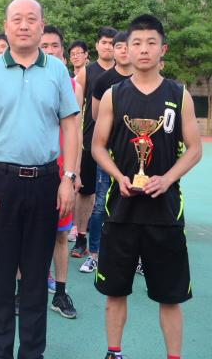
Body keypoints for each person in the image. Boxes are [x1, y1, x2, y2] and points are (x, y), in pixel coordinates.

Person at [0, 0, 79, 359]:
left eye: (31, 19)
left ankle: (33, 353)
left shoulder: (57, 70)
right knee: (1, 280)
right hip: (0, 183)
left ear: (42, 26)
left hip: (46, 183)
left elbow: (70, 127)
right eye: (16, 19)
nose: (24, 25)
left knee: (34, 280)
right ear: (6, 26)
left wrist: (69, 178)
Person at [92, 14, 202, 359]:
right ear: (126, 48)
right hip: (121, 209)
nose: (143, 49)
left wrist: (167, 179)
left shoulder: (179, 95)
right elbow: (97, 146)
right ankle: (114, 352)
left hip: (165, 212)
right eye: (136, 42)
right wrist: (118, 176)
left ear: (162, 49)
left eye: (151, 42)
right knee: (115, 291)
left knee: (170, 296)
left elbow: (195, 149)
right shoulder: (113, 95)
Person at [38, 25, 83, 320]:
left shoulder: (72, 85)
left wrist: (73, 174)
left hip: (61, 172)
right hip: (33, 170)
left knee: (60, 234)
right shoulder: (26, 78)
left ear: (63, 53)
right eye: (44, 46)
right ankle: (24, 290)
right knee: (28, 235)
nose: (50, 50)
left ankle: (60, 294)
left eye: (55, 45)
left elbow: (75, 132)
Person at [80, 30, 133, 274]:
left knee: (136, 205)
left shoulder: (142, 78)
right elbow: (94, 115)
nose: (121, 50)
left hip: (136, 154)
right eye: (117, 46)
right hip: (109, 152)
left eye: (125, 46)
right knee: (100, 204)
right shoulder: (103, 79)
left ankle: (137, 258)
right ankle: (93, 255)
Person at [71, 27, 117, 258]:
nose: (108, 46)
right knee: (85, 192)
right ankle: (81, 238)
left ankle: (113, 241)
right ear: (97, 46)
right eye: (104, 42)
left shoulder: (126, 72)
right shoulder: (86, 73)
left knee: (116, 194)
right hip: (90, 143)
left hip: (118, 146)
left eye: (112, 43)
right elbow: (75, 111)